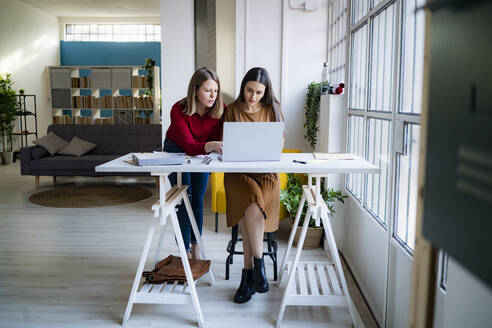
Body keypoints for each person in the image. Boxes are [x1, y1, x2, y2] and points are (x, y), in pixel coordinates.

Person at [223, 67, 284, 303]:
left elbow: (278, 146)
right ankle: (259, 266)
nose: (253, 96)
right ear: (243, 87)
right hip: (238, 174)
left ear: (266, 92)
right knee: (250, 199)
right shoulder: (232, 110)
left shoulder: (273, 110)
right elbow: (227, 145)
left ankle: (247, 275)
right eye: (249, 90)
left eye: (259, 92)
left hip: (267, 174)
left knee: (254, 205)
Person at [163, 67, 224, 260]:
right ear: (195, 90)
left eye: (216, 90)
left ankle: (196, 245)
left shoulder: (222, 110)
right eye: (207, 90)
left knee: (197, 198)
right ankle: (185, 249)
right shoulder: (178, 109)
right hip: (176, 149)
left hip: (203, 153)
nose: (213, 95)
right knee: (183, 197)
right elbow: (189, 145)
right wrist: (211, 145)